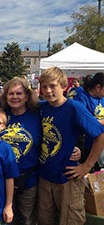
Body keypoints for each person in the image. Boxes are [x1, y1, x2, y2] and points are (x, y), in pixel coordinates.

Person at [38, 67, 104, 225]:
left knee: (70, 220)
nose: (48, 91)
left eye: (52, 86)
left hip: (67, 177)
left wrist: (86, 166)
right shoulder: (42, 107)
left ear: (63, 86)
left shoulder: (74, 108)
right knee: (45, 220)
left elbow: (100, 135)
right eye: (44, 86)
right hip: (45, 177)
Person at [0, 77, 41, 225]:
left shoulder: (37, 114)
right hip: (2, 178)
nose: (14, 97)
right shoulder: (0, 115)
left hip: (28, 178)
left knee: (26, 219)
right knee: (4, 218)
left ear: (27, 96)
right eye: (11, 94)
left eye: (19, 93)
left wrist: (75, 148)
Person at [74, 72, 104, 170]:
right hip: (87, 146)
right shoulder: (82, 97)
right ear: (98, 87)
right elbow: (82, 121)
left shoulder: (102, 98)